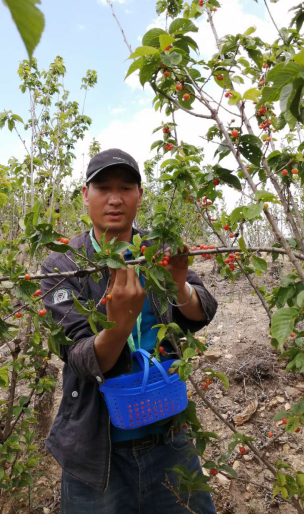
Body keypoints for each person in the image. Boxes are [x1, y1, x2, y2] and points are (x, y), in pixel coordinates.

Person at [40, 148, 218, 514]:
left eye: (126, 187)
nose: (115, 198)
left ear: (140, 194)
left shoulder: (157, 248)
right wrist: (119, 324)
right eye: (103, 188)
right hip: (95, 452)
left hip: (169, 440)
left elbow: (203, 311)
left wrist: (179, 287)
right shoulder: (63, 264)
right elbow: (80, 357)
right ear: (86, 195)